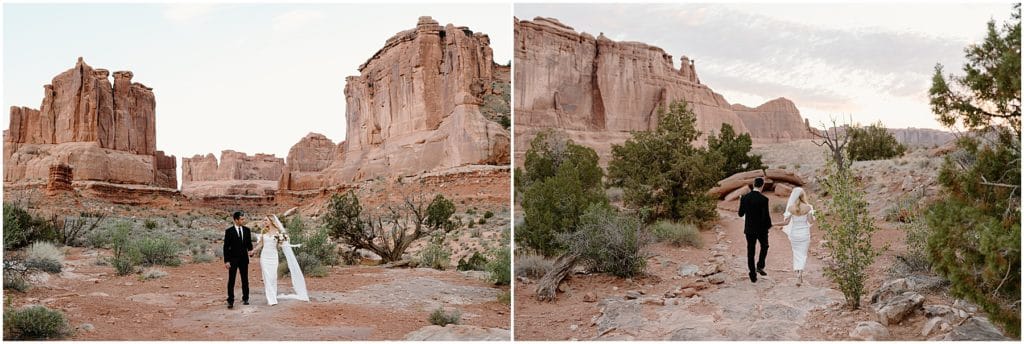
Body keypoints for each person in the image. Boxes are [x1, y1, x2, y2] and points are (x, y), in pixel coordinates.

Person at [251, 214, 309, 305]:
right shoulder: (263, 232)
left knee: (273, 277)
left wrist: (285, 242)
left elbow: (280, 245)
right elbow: (261, 244)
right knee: (267, 277)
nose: (264, 222)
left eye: (266, 220)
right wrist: (254, 250)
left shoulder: (279, 233)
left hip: (273, 256)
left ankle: (273, 295)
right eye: (264, 220)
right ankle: (271, 299)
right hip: (265, 256)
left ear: (271, 221)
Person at [738, 177, 773, 283]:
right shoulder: (764, 199)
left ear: (754, 184)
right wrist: (769, 226)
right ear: (762, 186)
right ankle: (760, 265)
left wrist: (741, 201)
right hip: (761, 229)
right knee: (765, 246)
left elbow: (740, 214)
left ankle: (752, 274)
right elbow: (766, 216)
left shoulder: (744, 198)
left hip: (749, 229)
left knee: (750, 251)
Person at [780, 187, 814, 286]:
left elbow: (786, 223)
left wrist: (773, 224)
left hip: (794, 234)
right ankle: (800, 274)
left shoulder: (791, 208)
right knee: (803, 254)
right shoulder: (808, 207)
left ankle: (798, 274)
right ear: (803, 196)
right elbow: (811, 221)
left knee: (796, 253)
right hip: (804, 233)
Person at [223, 211, 253, 309]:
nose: (243, 220)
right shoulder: (229, 231)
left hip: (244, 259)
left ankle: (246, 298)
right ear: (236, 220)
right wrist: (226, 261)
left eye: (243, 219)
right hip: (233, 259)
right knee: (231, 280)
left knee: (245, 279)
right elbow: (226, 247)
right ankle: (230, 300)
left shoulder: (247, 230)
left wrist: (251, 251)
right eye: (241, 219)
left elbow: (249, 244)